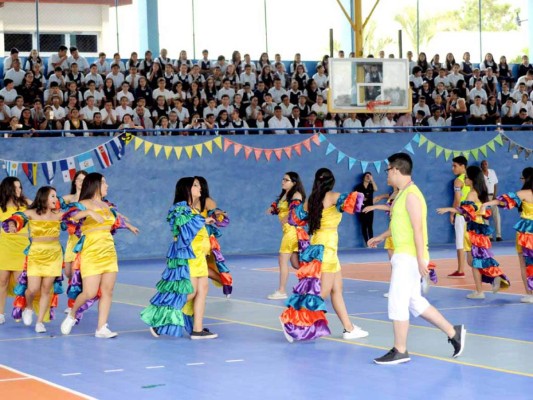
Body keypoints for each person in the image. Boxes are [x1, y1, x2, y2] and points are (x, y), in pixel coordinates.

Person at [369, 153, 465, 364]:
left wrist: (422, 259)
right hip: (406, 254)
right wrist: (380, 237)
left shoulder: (411, 194)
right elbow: (400, 226)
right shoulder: (402, 194)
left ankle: (400, 350)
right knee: (415, 302)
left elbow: (418, 229)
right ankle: (453, 332)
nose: (386, 174)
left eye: (387, 170)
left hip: (409, 256)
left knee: (397, 300)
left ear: (396, 169)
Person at [280, 168, 369, 342]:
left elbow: (295, 219)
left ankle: (349, 328)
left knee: (337, 289)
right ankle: (291, 321)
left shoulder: (311, 200)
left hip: (321, 244)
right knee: (324, 292)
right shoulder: (333, 196)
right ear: (331, 181)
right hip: (327, 248)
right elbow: (356, 201)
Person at [60, 173, 139, 338]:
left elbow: (115, 220)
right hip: (91, 251)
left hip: (109, 251)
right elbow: (69, 217)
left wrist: (128, 226)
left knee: (108, 291)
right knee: (89, 292)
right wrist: (88, 212)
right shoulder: (82, 204)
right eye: (104, 182)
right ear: (95, 185)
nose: (107, 186)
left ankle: (101, 328)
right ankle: (72, 314)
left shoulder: (106, 205)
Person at [140, 177, 218, 339]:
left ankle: (197, 329)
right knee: (190, 292)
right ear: (186, 189)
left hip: (199, 257)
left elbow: (198, 225)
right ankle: (159, 323)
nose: (199, 188)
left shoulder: (195, 210)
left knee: (202, 290)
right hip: (187, 257)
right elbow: (185, 228)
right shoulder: (179, 209)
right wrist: (203, 220)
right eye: (195, 185)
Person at [4, 187, 79, 333]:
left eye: (56, 197)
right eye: (52, 196)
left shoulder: (59, 215)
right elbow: (17, 217)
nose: (56, 199)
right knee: (32, 289)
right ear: (44, 197)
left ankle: (39, 322)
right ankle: (29, 307)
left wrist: (87, 214)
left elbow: (74, 216)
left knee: (46, 289)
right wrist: (13, 223)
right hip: (36, 254)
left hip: (54, 254)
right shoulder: (31, 213)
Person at [437, 166, 510, 299]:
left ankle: (480, 291)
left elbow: (465, 210)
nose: (464, 179)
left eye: (466, 177)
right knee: (474, 260)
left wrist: (448, 209)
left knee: (474, 262)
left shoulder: (472, 194)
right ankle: (494, 279)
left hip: (473, 231)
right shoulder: (480, 192)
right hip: (479, 228)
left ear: (471, 179)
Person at [482, 167, 533, 303]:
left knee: (525, 264)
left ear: (527, 179)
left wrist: (486, 203)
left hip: (526, 233)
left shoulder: (523, 193)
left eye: (522, 178)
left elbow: (502, 201)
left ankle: (530, 294)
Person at [266, 172, 306, 300]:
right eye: (283, 179)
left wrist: (288, 217)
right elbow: (282, 209)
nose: (283, 181)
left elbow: (296, 211)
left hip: (292, 231)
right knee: (296, 263)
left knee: (282, 260)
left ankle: (282, 290)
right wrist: (273, 209)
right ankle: (315, 280)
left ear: (294, 182)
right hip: (287, 231)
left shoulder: (296, 194)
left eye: (286, 180)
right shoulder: (285, 195)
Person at [194, 177, 233, 297]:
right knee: (198, 266)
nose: (194, 186)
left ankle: (223, 281)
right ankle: (223, 281)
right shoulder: (188, 202)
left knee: (198, 266)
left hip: (204, 239)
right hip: (192, 238)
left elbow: (214, 212)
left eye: (196, 184)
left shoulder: (207, 201)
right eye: (193, 184)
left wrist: (218, 213)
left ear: (202, 186)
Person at [0, 177, 31, 325]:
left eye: (20, 187)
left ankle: (24, 310)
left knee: (22, 283)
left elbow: (40, 209)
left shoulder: (26, 204)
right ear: (8, 189)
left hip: (21, 248)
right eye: (16, 188)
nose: (19, 190)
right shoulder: (1, 206)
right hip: (5, 247)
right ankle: (1, 313)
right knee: (2, 281)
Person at [59, 171, 88, 291]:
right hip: (71, 239)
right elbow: (53, 201)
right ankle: (76, 297)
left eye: (84, 180)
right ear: (75, 181)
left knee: (78, 271)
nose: (81, 182)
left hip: (84, 238)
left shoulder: (89, 199)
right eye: (79, 179)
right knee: (68, 272)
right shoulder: (69, 199)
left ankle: (74, 303)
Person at [448, 156, 470, 278]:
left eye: (455, 166)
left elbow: (457, 200)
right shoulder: (473, 178)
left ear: (463, 166)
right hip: (473, 214)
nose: (453, 168)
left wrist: (452, 213)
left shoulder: (458, 181)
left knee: (460, 242)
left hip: (461, 215)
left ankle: (460, 270)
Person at [480, 160, 502, 241]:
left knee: (496, 215)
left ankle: (498, 235)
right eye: (483, 164)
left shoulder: (492, 172)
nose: (485, 165)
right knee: (486, 216)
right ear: (481, 166)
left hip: (493, 196)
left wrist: (495, 196)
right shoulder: (480, 174)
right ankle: (489, 236)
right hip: (484, 197)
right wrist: (483, 197)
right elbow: (481, 186)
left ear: (488, 164)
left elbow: (495, 184)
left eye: (486, 163)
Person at [355, 172, 378, 246]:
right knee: (364, 225)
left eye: (369, 176)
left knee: (370, 225)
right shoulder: (358, 187)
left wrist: (372, 180)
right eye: (366, 176)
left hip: (370, 207)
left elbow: (376, 189)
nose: (368, 177)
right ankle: (367, 242)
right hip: (362, 208)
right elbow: (354, 196)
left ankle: (372, 242)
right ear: (363, 177)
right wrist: (361, 199)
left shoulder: (371, 186)